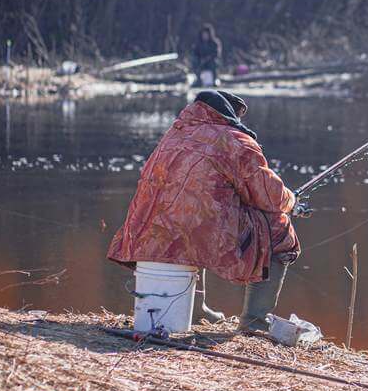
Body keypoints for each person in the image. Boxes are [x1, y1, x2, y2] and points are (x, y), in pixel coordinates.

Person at [107, 90, 311, 332]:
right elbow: (268, 196)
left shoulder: (175, 134)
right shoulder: (234, 140)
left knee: (194, 223)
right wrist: (292, 202)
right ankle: (256, 321)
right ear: (229, 114)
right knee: (279, 228)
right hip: (193, 228)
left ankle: (195, 309)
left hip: (148, 230)